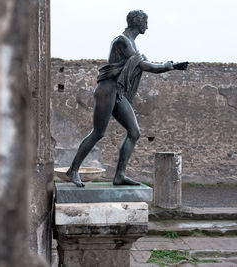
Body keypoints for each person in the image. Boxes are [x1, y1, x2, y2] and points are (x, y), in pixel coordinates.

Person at [65, 10, 188, 187]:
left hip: (118, 92)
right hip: (107, 89)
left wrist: (172, 66)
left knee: (134, 132)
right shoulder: (122, 40)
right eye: (145, 22)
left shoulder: (133, 45)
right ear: (137, 22)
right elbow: (145, 65)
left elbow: (145, 64)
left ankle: (120, 175)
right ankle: (73, 169)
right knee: (98, 132)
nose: (147, 26)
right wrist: (167, 67)